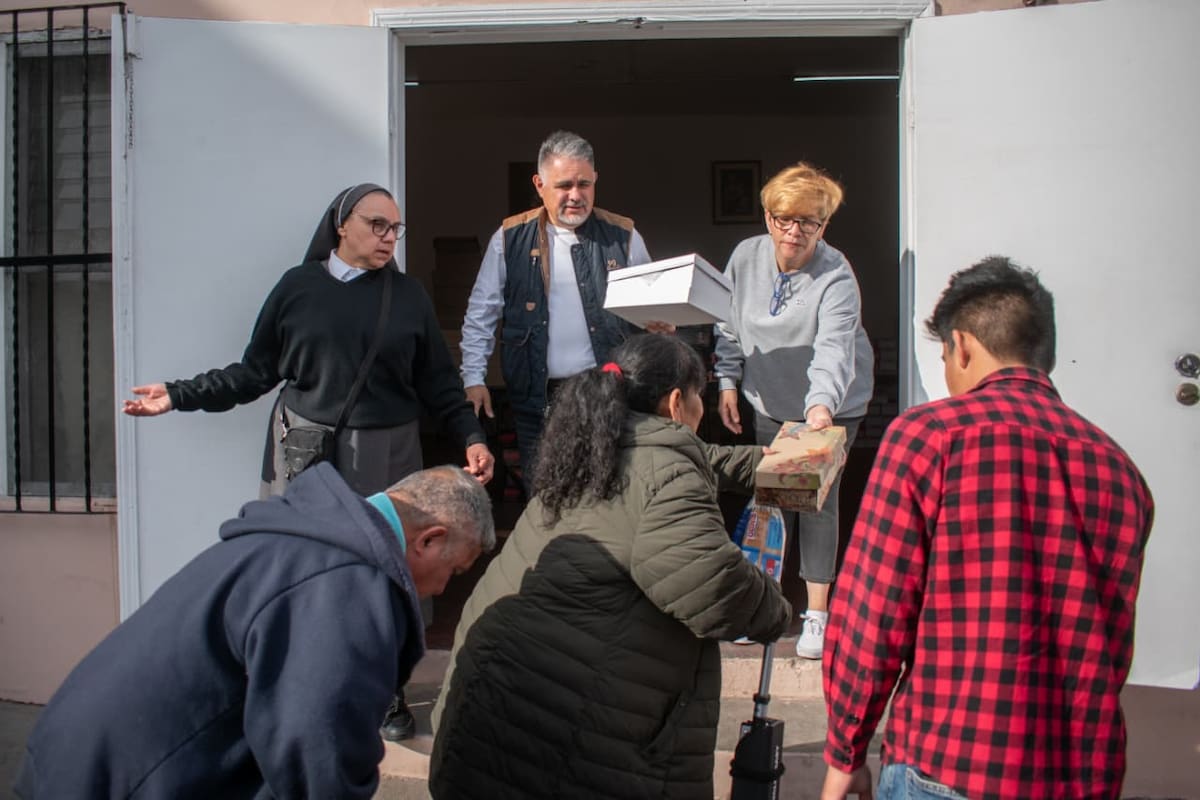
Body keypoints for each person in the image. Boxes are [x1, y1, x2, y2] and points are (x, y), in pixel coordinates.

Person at [122, 183, 493, 739]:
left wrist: (471, 435)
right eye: (377, 225)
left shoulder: (408, 296)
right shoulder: (297, 288)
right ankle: (301, 687)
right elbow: (253, 373)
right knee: (301, 569)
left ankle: (385, 693)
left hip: (388, 451)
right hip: (304, 449)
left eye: (396, 229)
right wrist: (178, 394)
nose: (388, 238)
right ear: (341, 226)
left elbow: (439, 384)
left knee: (390, 573)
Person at [820, 257, 1154, 800]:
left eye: (946, 356)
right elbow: (1112, 644)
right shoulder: (1118, 469)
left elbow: (873, 613)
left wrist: (845, 751)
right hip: (1080, 776)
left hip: (948, 766)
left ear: (964, 346)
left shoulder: (929, 438)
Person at [428, 334, 792, 800]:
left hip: (483, 724)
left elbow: (696, 460)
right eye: (699, 395)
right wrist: (776, 612)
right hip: (564, 752)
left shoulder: (590, 445)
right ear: (678, 402)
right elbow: (713, 587)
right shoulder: (667, 475)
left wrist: (768, 463)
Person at [14, 463, 496, 800]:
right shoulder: (346, 582)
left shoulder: (305, 537)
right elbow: (317, 751)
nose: (441, 586)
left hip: (78, 753)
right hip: (120, 779)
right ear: (428, 539)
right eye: (454, 570)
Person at [713, 161, 874, 660]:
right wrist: (727, 381)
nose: (794, 231)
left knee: (817, 503)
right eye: (784, 219)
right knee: (770, 500)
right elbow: (727, 322)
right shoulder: (745, 257)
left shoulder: (836, 274)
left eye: (808, 222)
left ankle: (817, 615)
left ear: (823, 226)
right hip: (769, 397)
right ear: (767, 217)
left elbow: (833, 348)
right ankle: (765, 607)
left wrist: (821, 409)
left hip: (834, 402)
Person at [459, 130, 657, 488]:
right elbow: (481, 313)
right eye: (564, 185)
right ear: (539, 184)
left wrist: (662, 322)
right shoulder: (509, 238)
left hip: (606, 394)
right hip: (537, 398)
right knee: (544, 496)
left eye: (584, 183)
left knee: (605, 493)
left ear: (596, 179)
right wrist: (473, 378)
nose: (575, 196)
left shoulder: (624, 236)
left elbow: (649, 307)